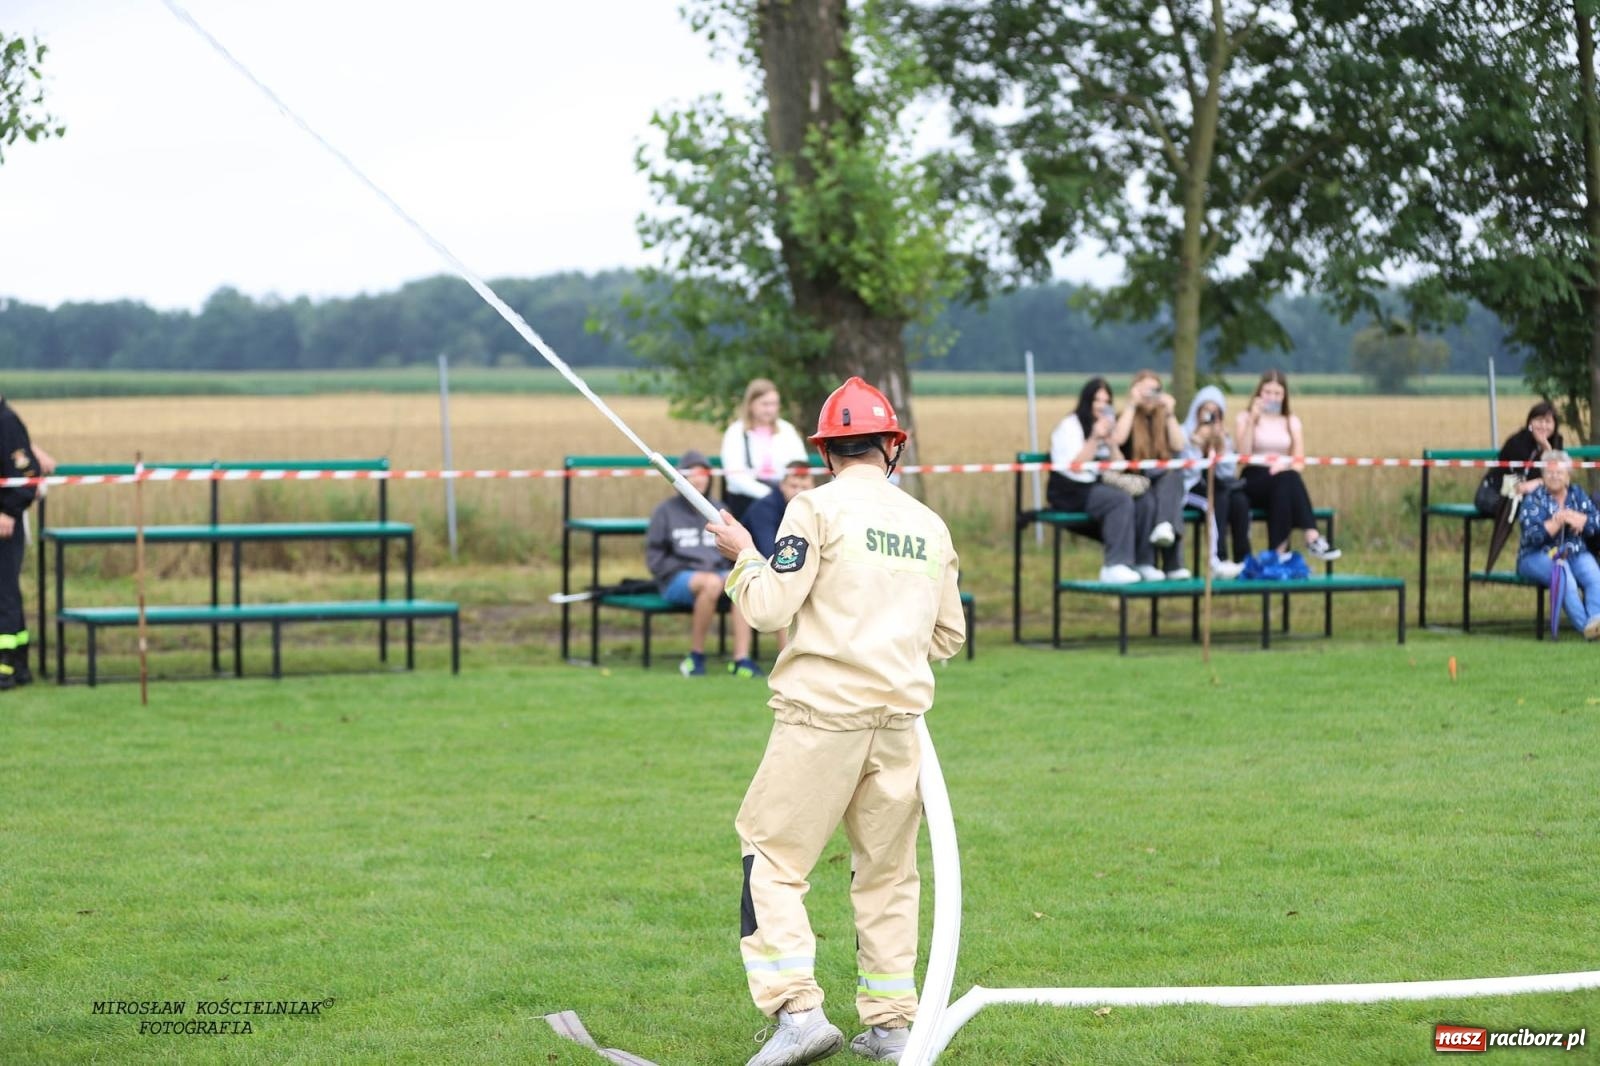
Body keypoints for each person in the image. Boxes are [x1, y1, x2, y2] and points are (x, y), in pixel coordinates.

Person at [706, 377, 965, 1066]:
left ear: (826, 453)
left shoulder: (812, 508)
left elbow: (766, 608)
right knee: (887, 876)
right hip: (899, 725)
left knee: (772, 858)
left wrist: (742, 558)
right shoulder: (928, 525)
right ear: (891, 448)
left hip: (821, 718)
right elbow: (948, 636)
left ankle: (798, 1011)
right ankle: (891, 1028)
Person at [644, 449, 760, 677]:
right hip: (677, 579)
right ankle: (695, 656)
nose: (699, 478)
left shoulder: (719, 510)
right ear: (681, 478)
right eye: (693, 474)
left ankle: (741, 660)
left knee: (742, 581)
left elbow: (734, 548)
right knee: (711, 583)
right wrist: (680, 572)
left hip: (718, 575)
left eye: (704, 473)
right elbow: (655, 558)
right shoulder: (665, 512)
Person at [1233, 369, 1341, 562]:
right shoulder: (1244, 418)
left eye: (1277, 393)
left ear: (1284, 396)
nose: (1272, 397)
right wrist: (1252, 420)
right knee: (1287, 480)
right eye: (1267, 392)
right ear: (1259, 393)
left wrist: (1284, 466)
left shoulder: (1291, 421)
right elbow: (1244, 457)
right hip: (1254, 476)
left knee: (1287, 480)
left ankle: (1280, 552)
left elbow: (1299, 461)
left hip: (1283, 475)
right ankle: (1311, 536)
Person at [1046, 377, 1143, 584]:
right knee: (1118, 501)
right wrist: (1094, 438)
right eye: (1097, 400)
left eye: (1106, 401)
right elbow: (1075, 466)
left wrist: (1111, 443)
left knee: (1136, 500)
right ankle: (1113, 565)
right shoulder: (1069, 426)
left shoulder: (1102, 427)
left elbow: (1119, 466)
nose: (1101, 405)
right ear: (1087, 400)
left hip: (1091, 485)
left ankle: (1135, 563)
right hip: (1068, 490)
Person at [1112, 368, 1190, 579]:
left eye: (1154, 390)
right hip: (1135, 479)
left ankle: (1172, 561)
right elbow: (1117, 439)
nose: (1150, 396)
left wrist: (1170, 413)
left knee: (1173, 478)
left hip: (1162, 479)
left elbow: (1179, 444)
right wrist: (1132, 405)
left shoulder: (1163, 418)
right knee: (1148, 501)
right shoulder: (1126, 416)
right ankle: (1149, 562)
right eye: (1144, 390)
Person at [1515, 450, 1600, 640]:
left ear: (1567, 475)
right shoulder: (1534, 499)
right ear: (1543, 476)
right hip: (1536, 556)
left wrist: (1582, 520)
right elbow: (1531, 535)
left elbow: (1596, 522)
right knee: (1564, 576)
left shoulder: (1577, 494)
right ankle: (1587, 628)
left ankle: (1597, 621)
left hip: (1575, 551)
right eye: (1550, 473)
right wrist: (1557, 522)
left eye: (1559, 472)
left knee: (1594, 575)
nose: (1554, 476)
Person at [1180, 386, 1249, 578]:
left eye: (1215, 412)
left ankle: (1244, 558)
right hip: (1190, 489)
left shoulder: (1222, 436)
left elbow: (1227, 472)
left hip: (1217, 487)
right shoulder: (1183, 433)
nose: (1210, 416)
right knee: (1214, 501)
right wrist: (1196, 444)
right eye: (1206, 410)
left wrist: (1221, 445)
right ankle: (1218, 558)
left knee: (1239, 501)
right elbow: (1187, 471)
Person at [721, 378, 810, 522]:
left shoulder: (787, 430)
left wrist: (787, 492)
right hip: (746, 500)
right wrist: (769, 495)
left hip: (784, 499)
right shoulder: (735, 432)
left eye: (774, 404)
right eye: (765, 404)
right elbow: (735, 477)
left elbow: (800, 465)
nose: (770, 409)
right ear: (750, 404)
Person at [0, 397, 43, 689]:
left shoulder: (6, 422)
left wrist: (8, 511)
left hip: (5, 522)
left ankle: (7, 667)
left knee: (4, 595)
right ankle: (20, 664)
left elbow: (27, 475)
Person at [1476, 401, 1563, 516]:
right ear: (1530, 423)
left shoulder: (1557, 442)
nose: (1543, 426)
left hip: (1529, 498)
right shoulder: (1517, 442)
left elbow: (1558, 477)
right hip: (1495, 493)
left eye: (1548, 422)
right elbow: (1520, 482)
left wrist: (1547, 449)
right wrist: (1540, 482)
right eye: (1539, 420)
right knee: (1518, 505)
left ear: (1554, 425)